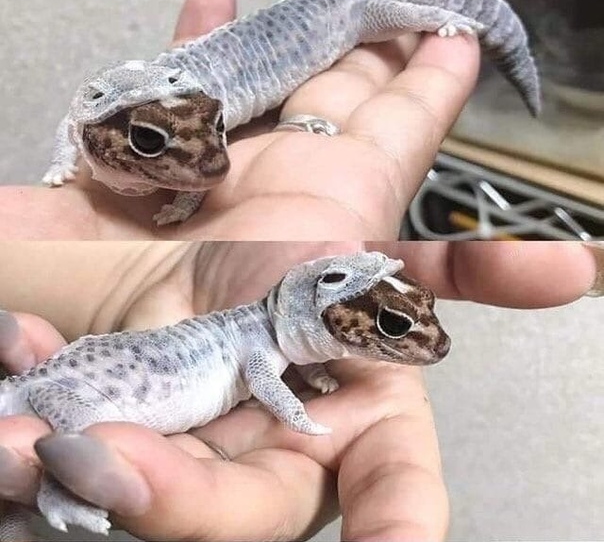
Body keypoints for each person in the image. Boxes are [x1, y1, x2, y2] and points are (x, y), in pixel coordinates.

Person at [0, 240, 598, 541]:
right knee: (69, 445)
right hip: (63, 388)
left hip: (76, 375)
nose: (423, 344)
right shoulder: (263, 349)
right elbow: (266, 380)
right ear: (319, 315)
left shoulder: (281, 339)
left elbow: (297, 356)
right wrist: (301, 417)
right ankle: (53, 489)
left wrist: (315, 376)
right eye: (392, 328)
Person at [0, 0, 481, 240]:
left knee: (397, 19)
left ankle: (436, 13)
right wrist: (62, 162)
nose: (217, 161)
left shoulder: (183, 107)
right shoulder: (109, 113)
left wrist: (434, 20)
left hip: (344, 13)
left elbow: (204, 164)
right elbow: (75, 120)